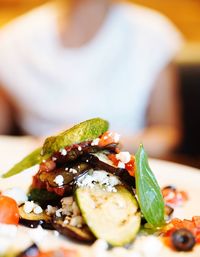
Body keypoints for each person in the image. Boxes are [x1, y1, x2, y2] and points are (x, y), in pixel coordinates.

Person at [0, 0, 183, 157]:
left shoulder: (153, 35)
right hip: (40, 171)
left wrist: (98, 142)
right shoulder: (13, 43)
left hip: (123, 166)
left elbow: (166, 134)